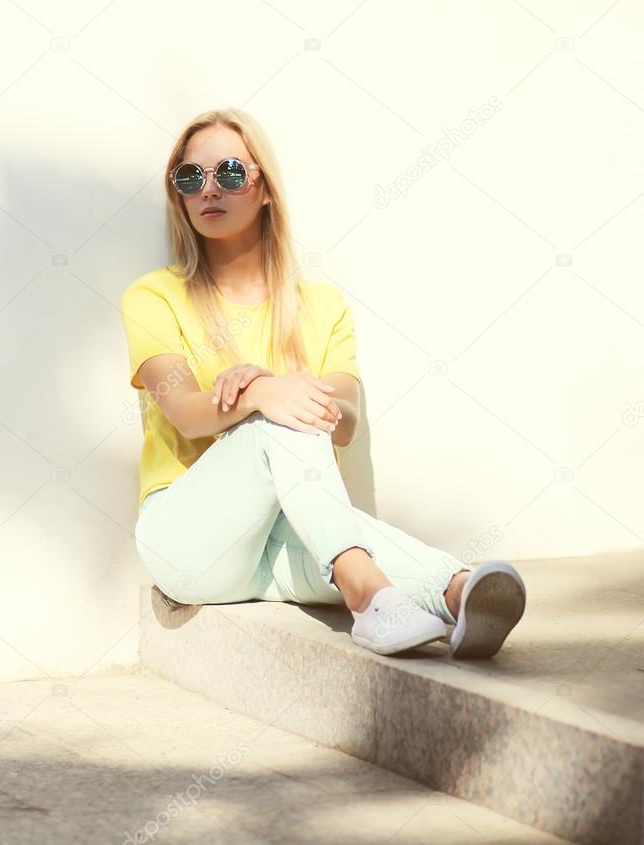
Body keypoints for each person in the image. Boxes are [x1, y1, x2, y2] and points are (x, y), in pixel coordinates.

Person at [120, 108, 526, 658]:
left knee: (299, 426)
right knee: (279, 412)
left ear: (265, 189)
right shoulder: (153, 296)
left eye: (230, 173)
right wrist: (259, 395)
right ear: (180, 195)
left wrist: (274, 387)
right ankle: (369, 597)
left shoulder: (322, 305)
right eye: (191, 178)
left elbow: (347, 420)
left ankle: (459, 595)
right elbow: (187, 412)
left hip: (279, 540)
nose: (209, 189)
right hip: (187, 542)